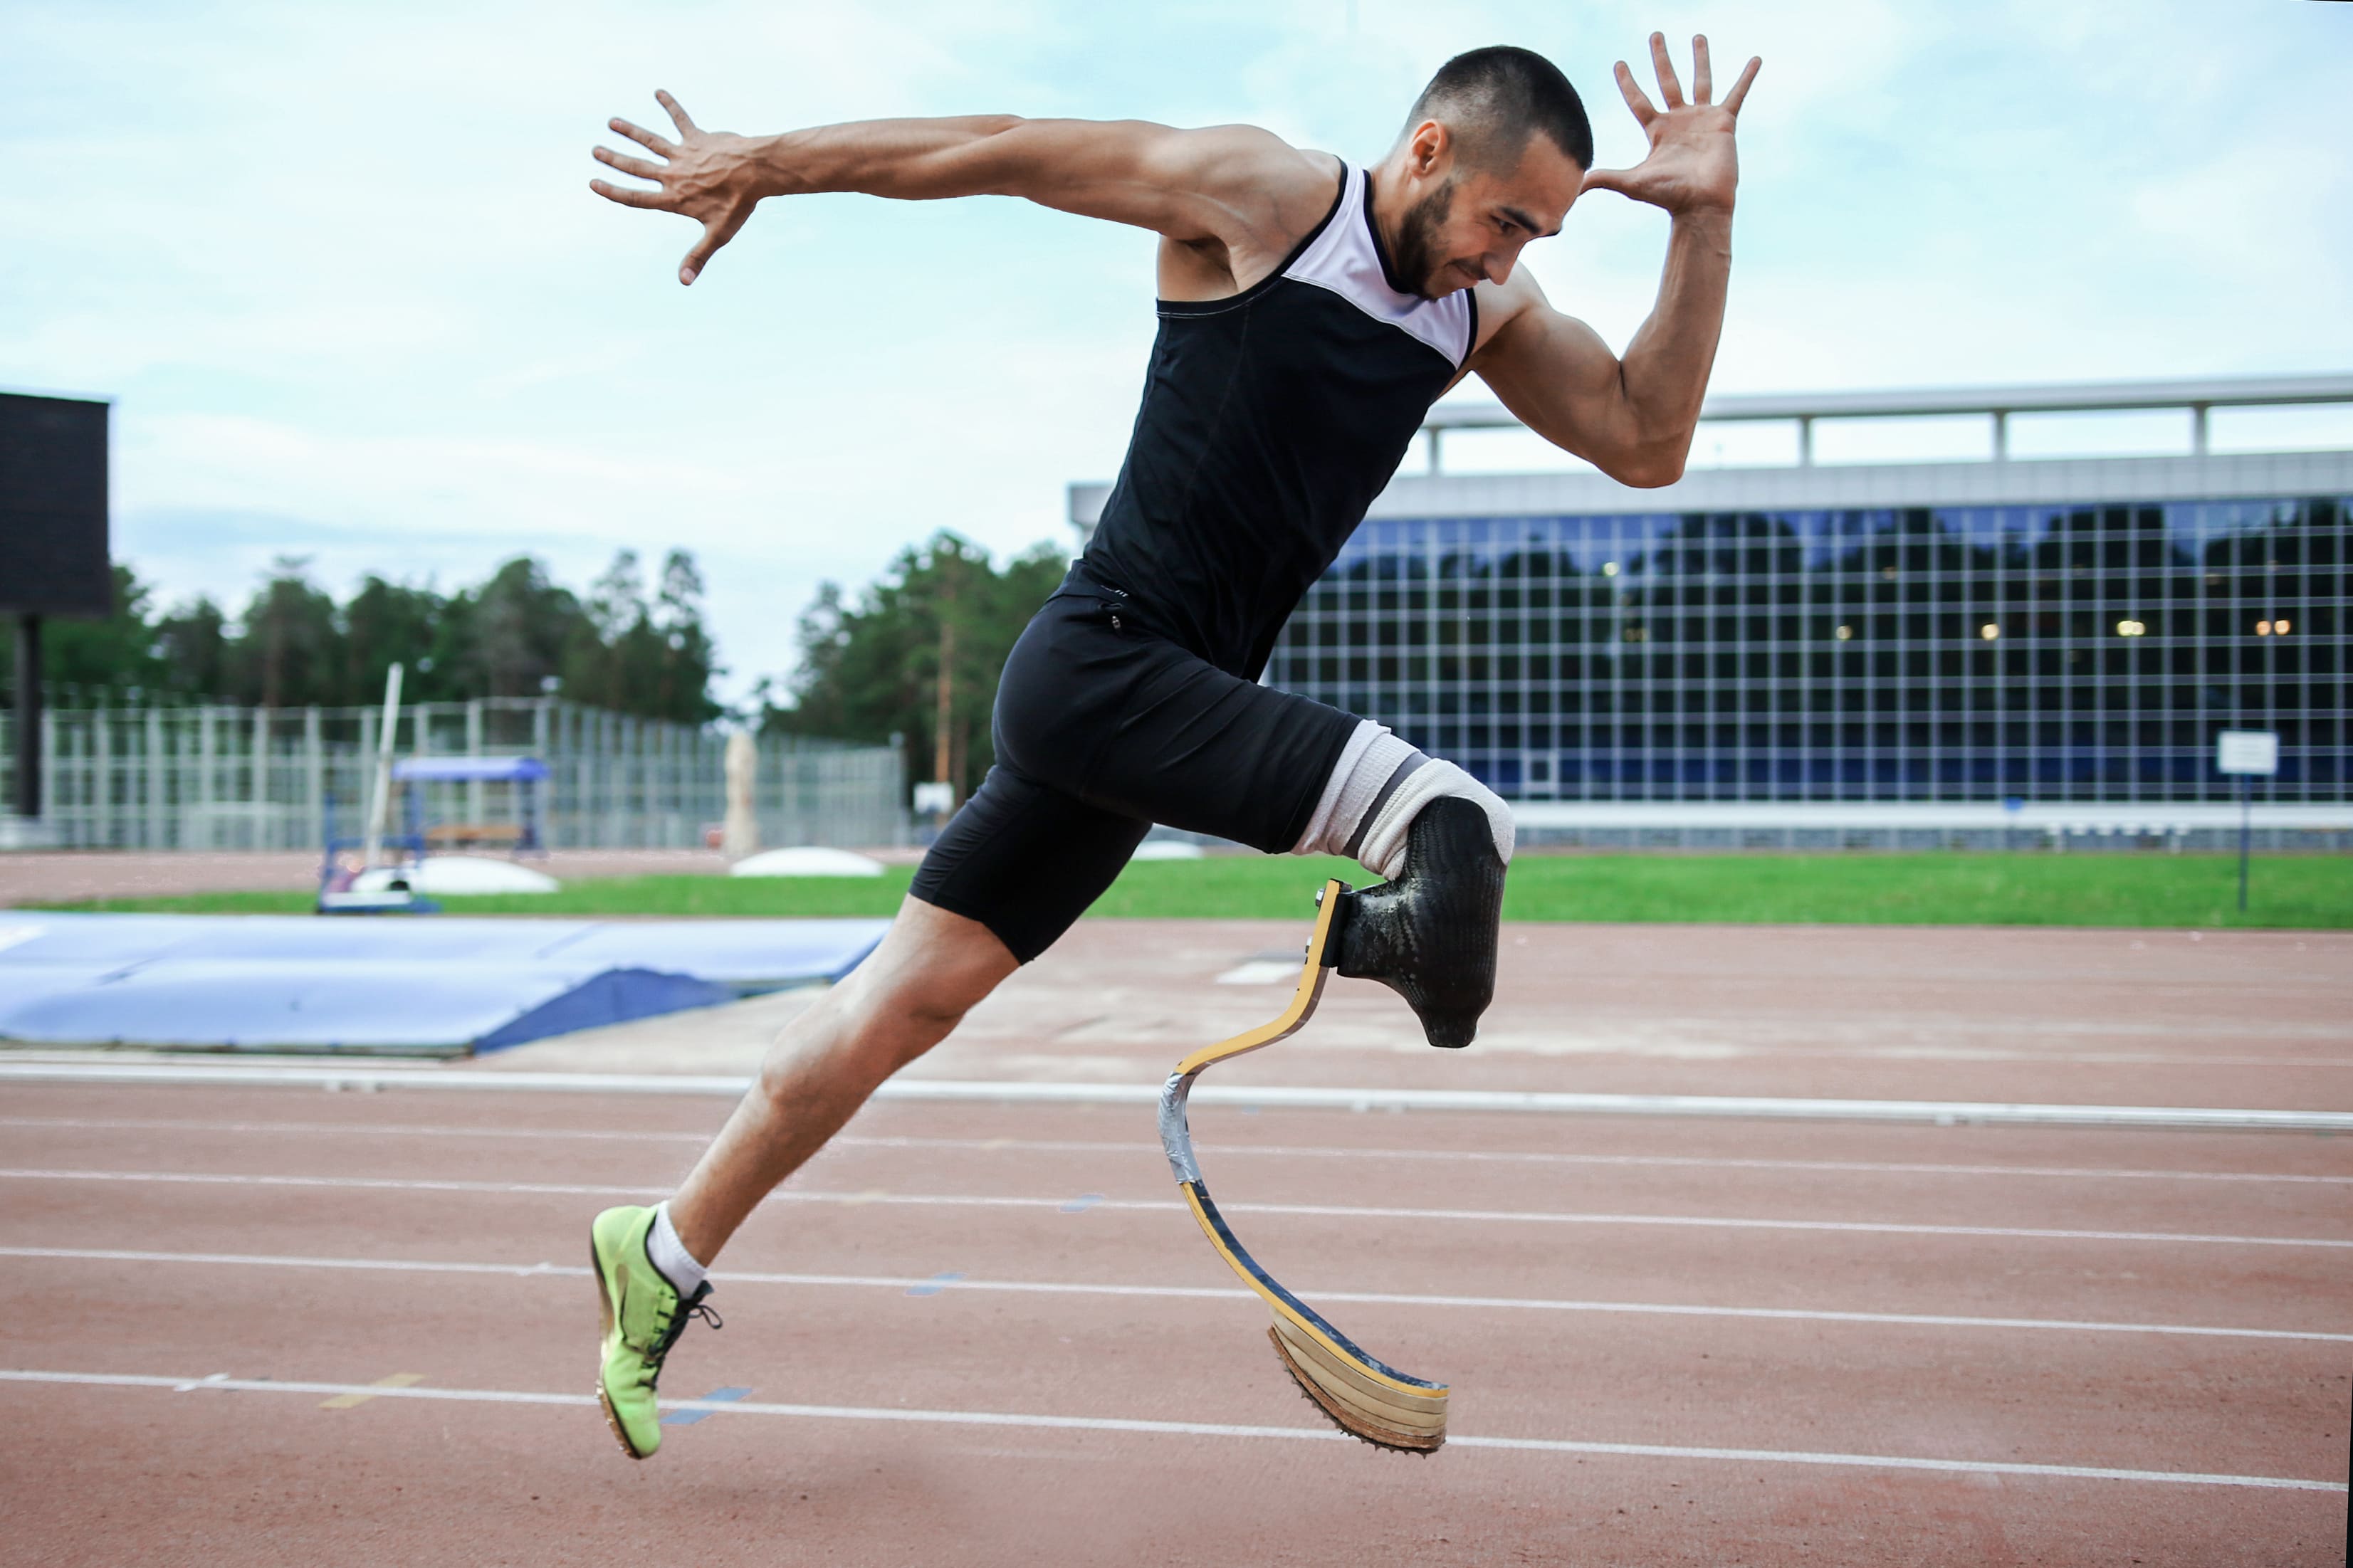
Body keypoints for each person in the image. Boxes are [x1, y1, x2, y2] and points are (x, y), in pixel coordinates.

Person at [584, 36, 1759, 1459]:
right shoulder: (1264, 199)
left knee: (902, 1004)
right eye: (1506, 220)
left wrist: (1703, 220)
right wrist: (765, 160)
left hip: (1150, 712)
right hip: (1101, 664)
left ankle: (664, 1244)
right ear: (1432, 152)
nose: (1508, 258)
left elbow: (1647, 437)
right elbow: (1003, 148)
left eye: (1542, 237)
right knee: (1446, 824)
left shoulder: (1483, 310)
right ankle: (1377, 929)